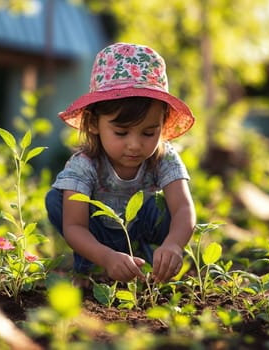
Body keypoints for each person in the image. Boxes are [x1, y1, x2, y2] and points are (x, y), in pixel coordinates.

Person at [45, 42, 197, 284]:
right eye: (121, 133)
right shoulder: (84, 165)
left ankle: (148, 260)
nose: (135, 145)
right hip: (97, 234)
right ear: (94, 123)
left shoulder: (163, 157)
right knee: (57, 199)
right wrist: (106, 258)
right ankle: (90, 268)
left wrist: (173, 245)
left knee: (163, 205)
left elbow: (183, 209)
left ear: (163, 123)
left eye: (148, 133)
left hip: (142, 229)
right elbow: (74, 226)